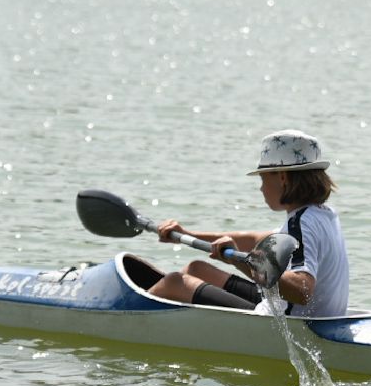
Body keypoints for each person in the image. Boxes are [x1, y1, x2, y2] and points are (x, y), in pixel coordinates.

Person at [147, 130, 349, 317]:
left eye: (262, 179)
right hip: (310, 314)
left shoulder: (301, 223)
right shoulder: (323, 214)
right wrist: (187, 234)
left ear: (282, 177)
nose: (261, 189)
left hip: (289, 324)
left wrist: (239, 261)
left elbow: (302, 290)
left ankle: (123, 321)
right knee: (196, 269)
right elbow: (254, 239)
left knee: (175, 282)